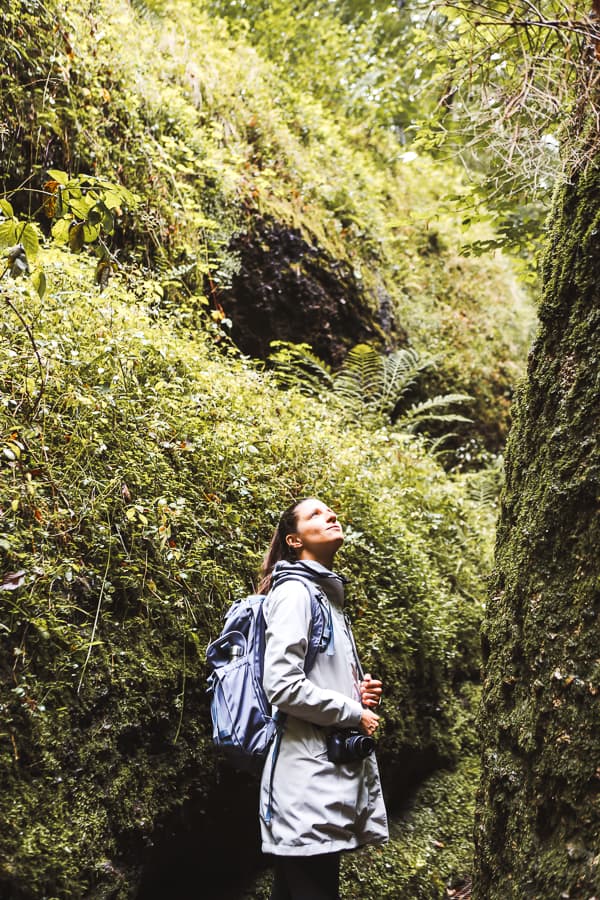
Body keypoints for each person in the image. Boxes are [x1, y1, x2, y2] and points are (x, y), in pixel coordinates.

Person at [257, 497, 389, 900]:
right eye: (315, 514)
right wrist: (353, 712)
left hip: (323, 778)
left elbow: (312, 677)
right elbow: (280, 684)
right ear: (294, 541)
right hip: (306, 780)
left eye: (329, 510)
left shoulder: (326, 597)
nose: (330, 515)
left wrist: (356, 694)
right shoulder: (297, 593)